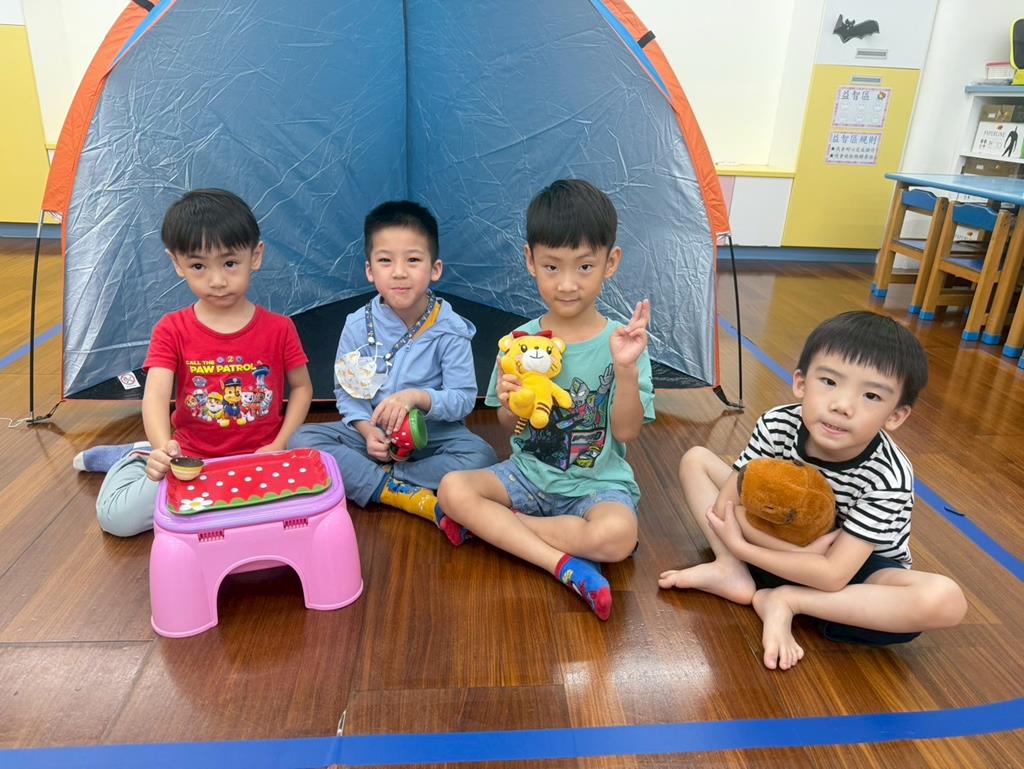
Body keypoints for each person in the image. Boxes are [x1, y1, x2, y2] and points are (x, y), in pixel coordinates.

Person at [659, 311, 967, 669]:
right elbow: (725, 508)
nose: (842, 405)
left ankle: (789, 600)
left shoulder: (890, 475)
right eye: (830, 382)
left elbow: (834, 574)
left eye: (871, 395)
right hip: (777, 537)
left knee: (946, 600)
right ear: (801, 383)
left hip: (852, 572)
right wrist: (784, 549)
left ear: (895, 416)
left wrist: (743, 546)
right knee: (696, 459)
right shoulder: (778, 423)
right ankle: (730, 569)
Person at [437, 179, 654, 621]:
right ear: (530, 261)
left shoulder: (624, 343)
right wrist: (507, 403)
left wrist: (626, 370)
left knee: (619, 535)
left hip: (596, 485)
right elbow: (508, 425)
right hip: (527, 476)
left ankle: (506, 531)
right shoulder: (519, 342)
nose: (567, 284)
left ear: (610, 262)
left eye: (585, 266)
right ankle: (562, 564)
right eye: (552, 267)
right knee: (453, 488)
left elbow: (627, 431)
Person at [73, 188, 313, 537]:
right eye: (198, 266)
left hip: (259, 460)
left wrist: (279, 446)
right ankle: (135, 458)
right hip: (190, 462)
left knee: (288, 518)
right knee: (118, 520)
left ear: (256, 256)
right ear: (177, 264)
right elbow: (155, 395)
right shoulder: (172, 329)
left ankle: (145, 453)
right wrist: (163, 450)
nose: (217, 281)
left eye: (230, 263)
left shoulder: (280, 328)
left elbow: (302, 388)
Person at [289, 201, 496, 524]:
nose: (399, 272)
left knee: (481, 455)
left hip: (431, 437)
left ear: (435, 269)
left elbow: (462, 399)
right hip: (374, 438)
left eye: (413, 260)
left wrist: (417, 397)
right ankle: (394, 488)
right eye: (385, 261)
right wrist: (366, 430)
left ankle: (390, 480)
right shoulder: (357, 324)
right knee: (301, 442)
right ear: (370, 270)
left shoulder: (450, 327)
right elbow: (349, 393)